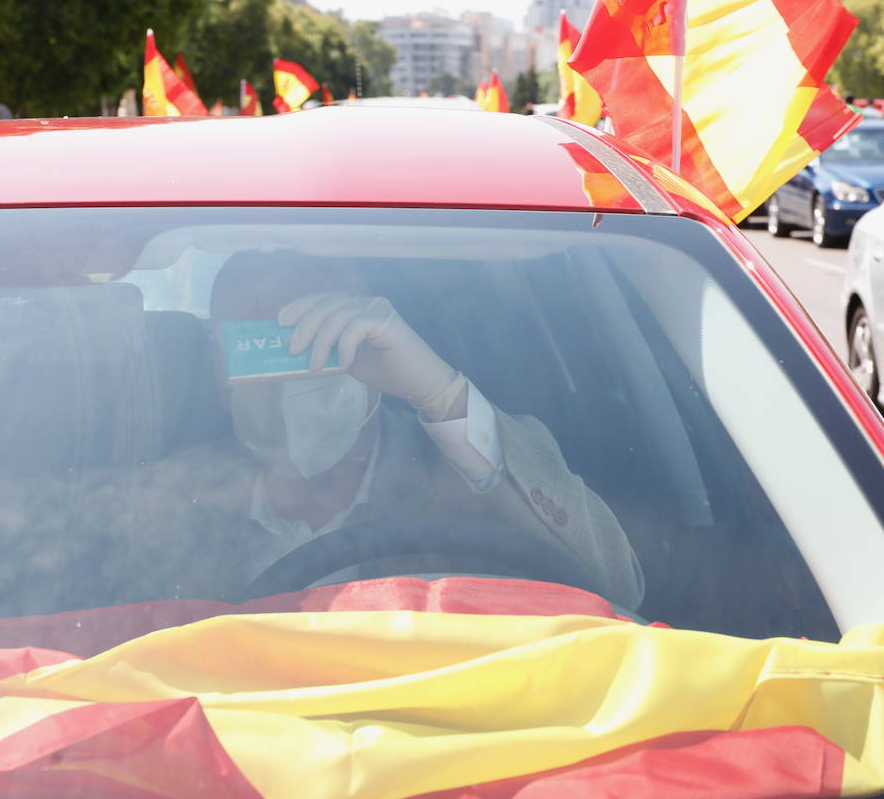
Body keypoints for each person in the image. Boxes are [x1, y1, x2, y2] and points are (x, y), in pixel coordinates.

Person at [139, 251, 644, 609]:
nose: (289, 371)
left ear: (375, 345)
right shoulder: (176, 492)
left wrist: (441, 393)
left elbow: (618, 589)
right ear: (216, 364)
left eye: (318, 339)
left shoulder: (466, 475)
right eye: (257, 346)